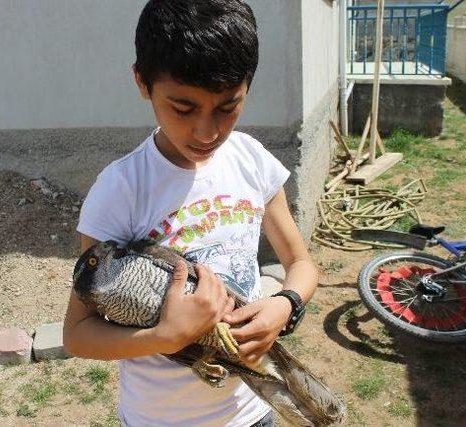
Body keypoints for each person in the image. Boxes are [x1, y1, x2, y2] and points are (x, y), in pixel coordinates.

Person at [63, 1, 319, 426]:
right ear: (142, 82)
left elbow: (300, 263)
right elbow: (78, 334)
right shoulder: (120, 190)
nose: (208, 132)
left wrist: (284, 305)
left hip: (253, 414)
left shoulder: (251, 160)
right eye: (183, 108)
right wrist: (166, 336)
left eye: (227, 107)